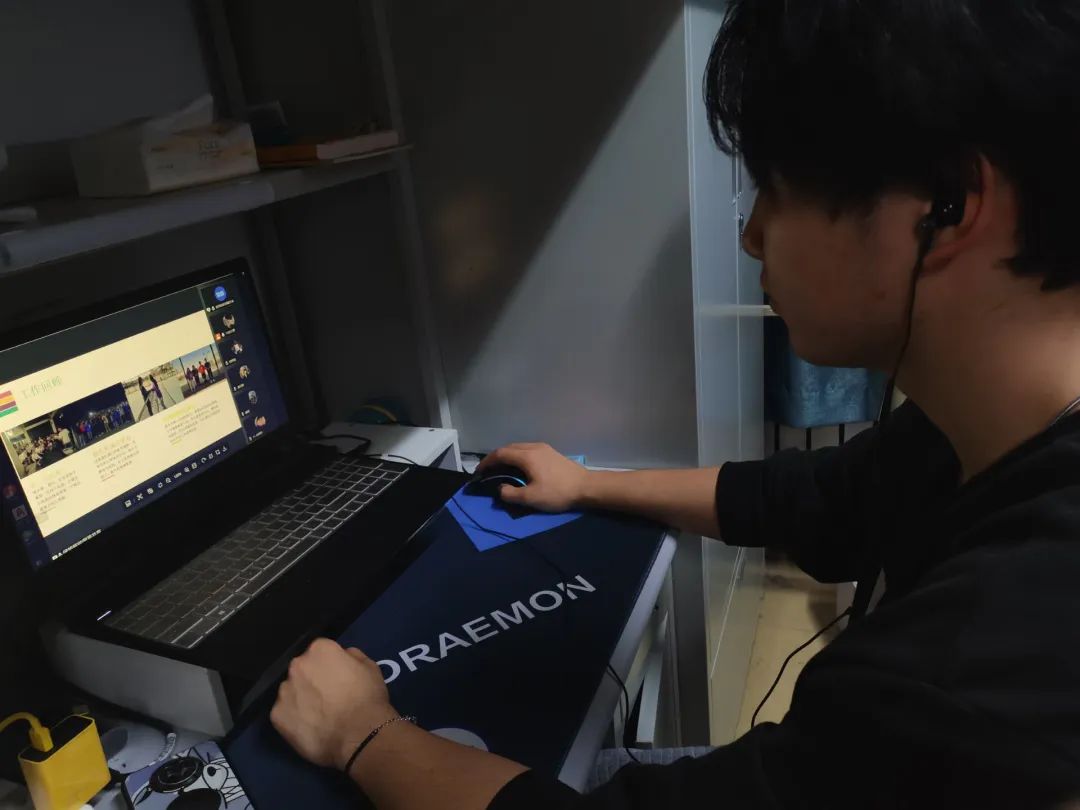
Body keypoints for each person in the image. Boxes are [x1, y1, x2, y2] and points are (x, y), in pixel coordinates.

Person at [269, 2, 1080, 808]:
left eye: (776, 190)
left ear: (948, 204)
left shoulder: (993, 646)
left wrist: (360, 733)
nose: (752, 235)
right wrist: (587, 485)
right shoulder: (981, 429)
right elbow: (820, 496)